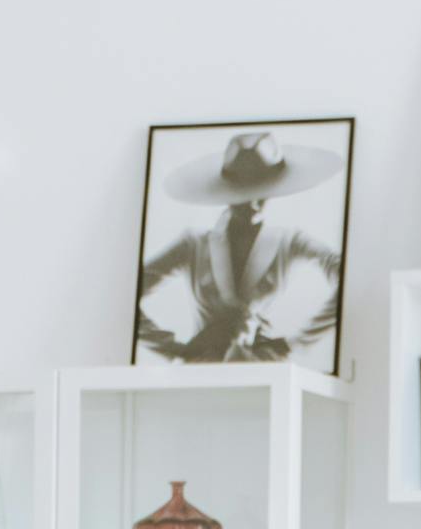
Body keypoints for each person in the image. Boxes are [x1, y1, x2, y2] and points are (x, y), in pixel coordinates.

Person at [134, 129, 342, 365]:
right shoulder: (194, 244)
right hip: (201, 371)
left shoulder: (288, 241)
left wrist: (296, 344)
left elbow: (345, 276)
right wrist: (172, 349)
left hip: (267, 373)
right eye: (243, 194)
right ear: (227, 191)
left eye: (261, 192)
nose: (253, 203)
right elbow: (129, 293)